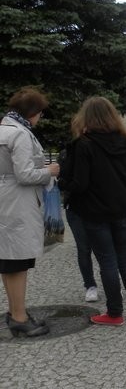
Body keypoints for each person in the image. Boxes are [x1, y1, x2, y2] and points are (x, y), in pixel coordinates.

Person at [59, 97, 126, 325]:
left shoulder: (84, 144)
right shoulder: (125, 141)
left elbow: (80, 183)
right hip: (121, 208)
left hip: (95, 211)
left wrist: (63, 185)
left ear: (85, 117)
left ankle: (115, 313)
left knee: (107, 261)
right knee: (125, 258)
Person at [0, 87, 60, 337]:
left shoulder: (4, 128)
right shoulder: (20, 134)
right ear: (32, 112)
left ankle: (16, 312)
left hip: (6, 199)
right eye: (40, 113)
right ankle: (20, 317)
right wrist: (49, 171)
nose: (40, 118)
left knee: (8, 261)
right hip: (18, 202)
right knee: (18, 262)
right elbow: (24, 175)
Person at [58, 142, 98, 302]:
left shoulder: (99, 148)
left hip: (97, 207)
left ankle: (111, 284)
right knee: (83, 248)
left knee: (104, 250)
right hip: (75, 207)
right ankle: (90, 285)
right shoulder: (66, 153)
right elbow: (63, 178)